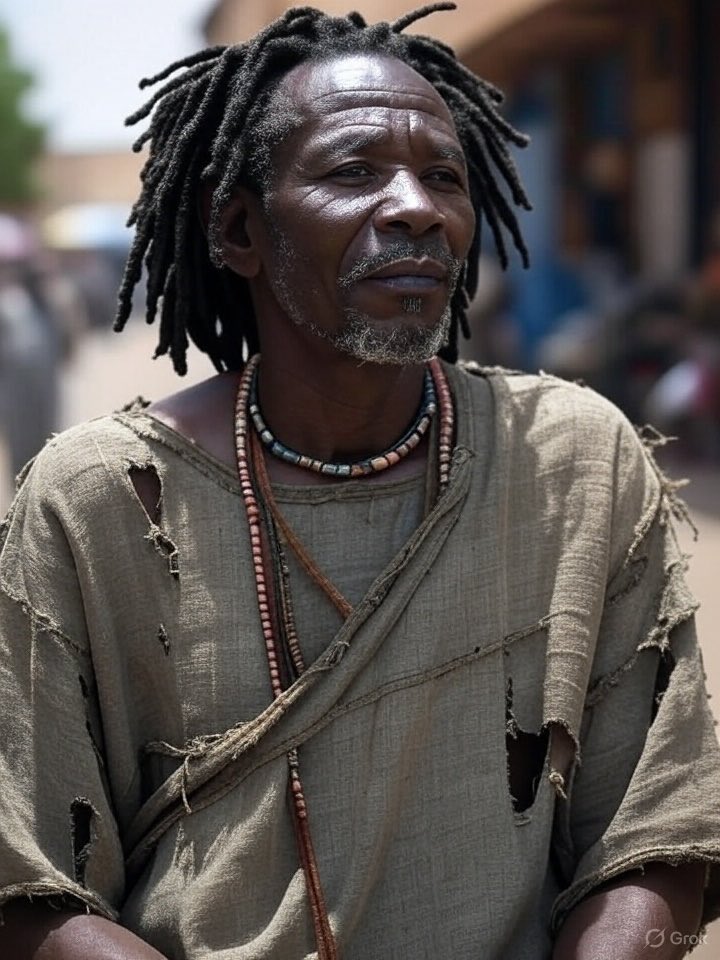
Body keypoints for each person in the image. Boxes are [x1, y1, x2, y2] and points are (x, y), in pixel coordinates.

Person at [1, 5, 719, 959]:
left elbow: (653, 828)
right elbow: (31, 884)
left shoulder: (572, 460)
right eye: (352, 172)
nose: (416, 205)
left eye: (443, 177)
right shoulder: (97, 499)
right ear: (239, 230)